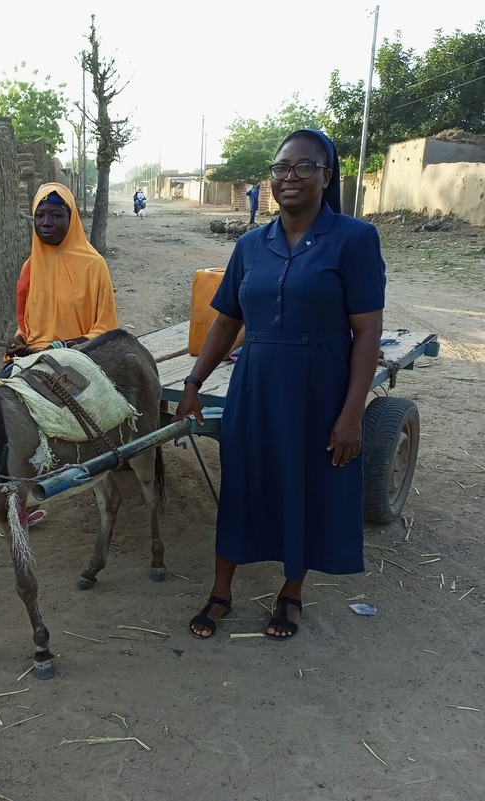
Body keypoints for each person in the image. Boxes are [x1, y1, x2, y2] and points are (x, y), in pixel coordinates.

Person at [174, 129, 386, 640]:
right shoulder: (251, 244)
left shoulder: (355, 240)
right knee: (243, 481)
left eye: (304, 167)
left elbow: (367, 331)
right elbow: (226, 321)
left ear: (327, 176)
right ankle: (221, 590)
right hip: (258, 385)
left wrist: (353, 412)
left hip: (320, 387)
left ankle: (290, 592)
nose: (289, 177)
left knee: (306, 485)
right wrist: (194, 381)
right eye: (280, 168)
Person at [3, 181, 119, 371]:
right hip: (32, 360)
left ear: (71, 220)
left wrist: (60, 347)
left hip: (81, 359)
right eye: (39, 216)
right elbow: (29, 326)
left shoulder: (94, 265)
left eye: (56, 215)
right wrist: (19, 340)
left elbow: (106, 330)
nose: (46, 222)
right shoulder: (30, 267)